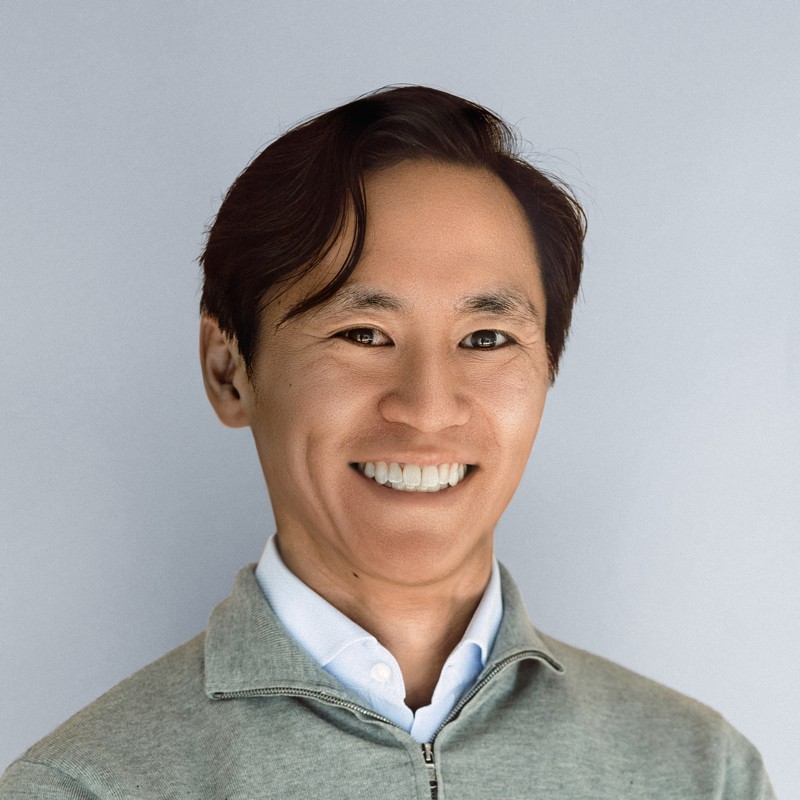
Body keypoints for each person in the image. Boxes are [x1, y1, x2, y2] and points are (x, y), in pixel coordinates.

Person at [0, 86, 775, 799]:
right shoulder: (84, 787)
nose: (428, 408)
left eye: (486, 336)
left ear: (548, 368)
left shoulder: (701, 772)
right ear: (229, 370)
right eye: (364, 332)